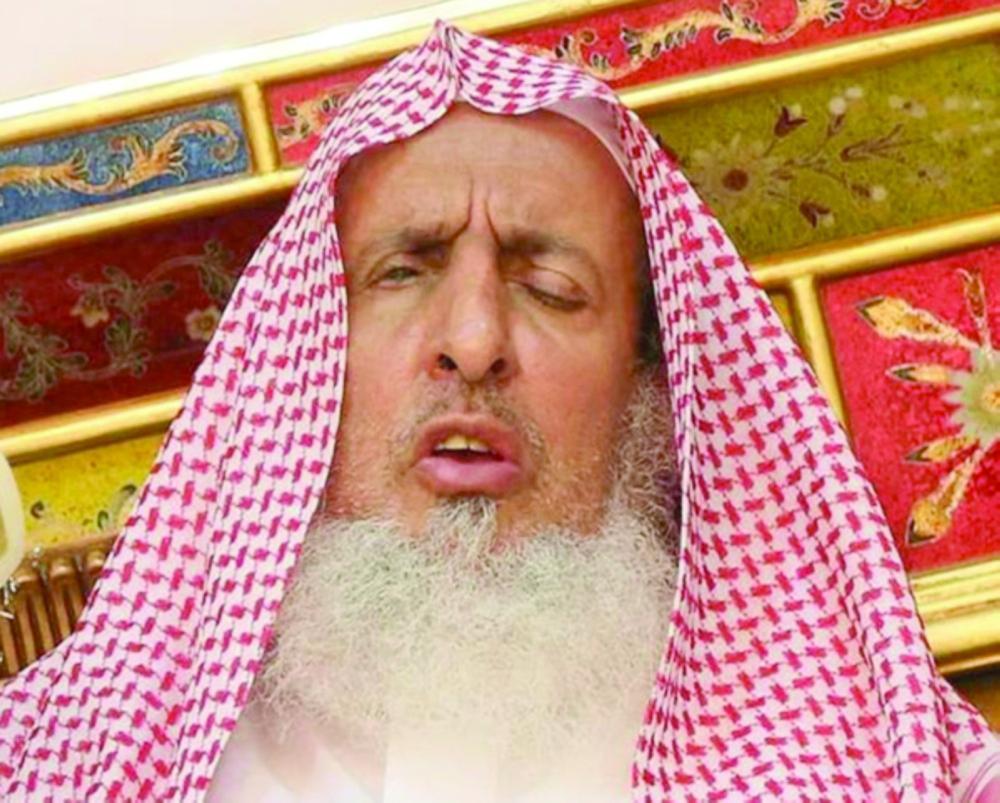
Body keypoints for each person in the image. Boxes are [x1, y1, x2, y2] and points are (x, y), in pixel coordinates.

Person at [0, 21, 997, 802]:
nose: (474, 340)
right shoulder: (54, 760)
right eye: (403, 271)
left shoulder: (902, 764)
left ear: (649, 396)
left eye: (552, 289)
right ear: (299, 358)